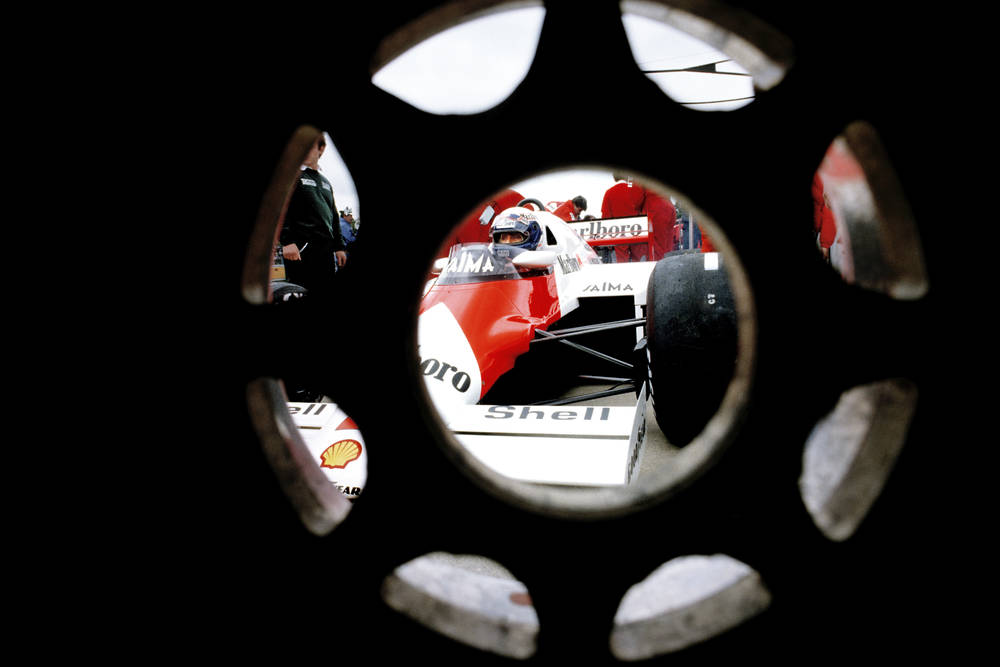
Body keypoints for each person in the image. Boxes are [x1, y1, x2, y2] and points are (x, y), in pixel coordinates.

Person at [279, 134, 346, 298]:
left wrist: (339, 246)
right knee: (301, 293)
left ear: (321, 149)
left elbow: (334, 215)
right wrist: (286, 242)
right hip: (301, 250)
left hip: (326, 252)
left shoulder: (326, 182)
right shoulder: (291, 176)